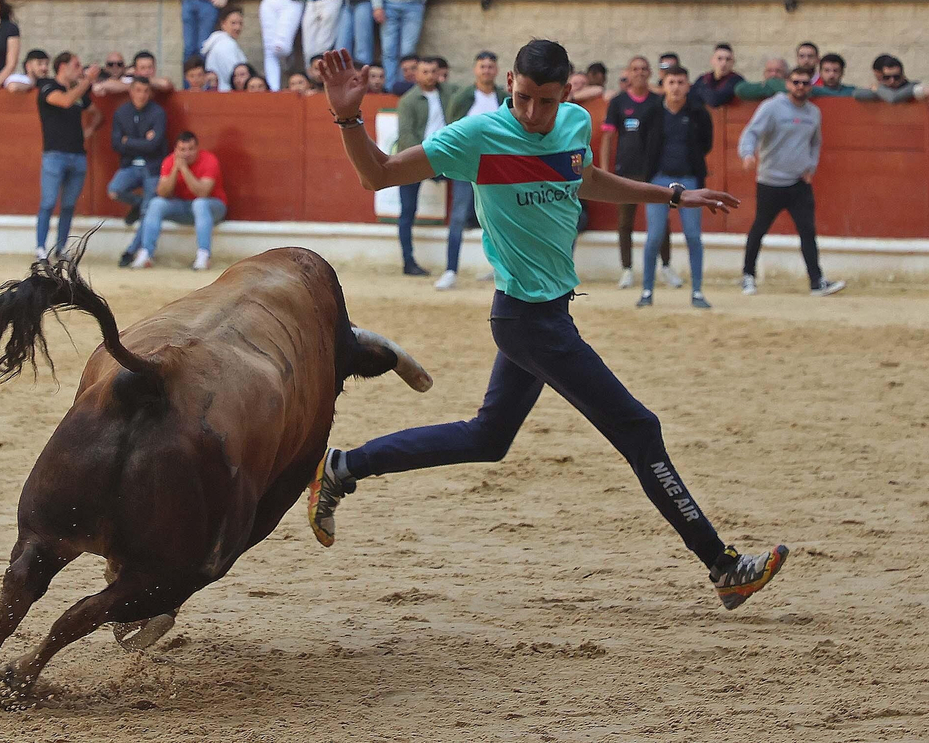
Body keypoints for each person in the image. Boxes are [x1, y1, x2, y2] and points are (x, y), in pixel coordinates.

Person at [308, 42, 789, 612]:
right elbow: (378, 176)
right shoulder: (475, 138)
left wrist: (673, 196)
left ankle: (343, 466)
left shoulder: (575, 123)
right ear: (509, 82)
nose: (533, 114)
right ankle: (724, 566)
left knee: (487, 438)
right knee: (640, 429)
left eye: (545, 101)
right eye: (523, 98)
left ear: (568, 91)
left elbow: (583, 178)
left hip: (548, 312)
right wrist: (347, 118)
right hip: (525, 319)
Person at [738, 65, 846, 297]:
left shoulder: (813, 113)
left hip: (799, 183)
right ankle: (748, 275)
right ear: (788, 84)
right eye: (796, 82)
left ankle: (816, 281)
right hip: (770, 181)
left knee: (808, 231)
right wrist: (747, 153)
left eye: (805, 83)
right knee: (759, 228)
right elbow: (751, 132)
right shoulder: (772, 107)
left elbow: (816, 143)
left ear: (810, 86)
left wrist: (811, 167)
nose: (800, 87)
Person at [637, 64, 714, 309]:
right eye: (672, 82)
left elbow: (706, 143)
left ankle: (698, 292)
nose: (676, 87)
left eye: (681, 82)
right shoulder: (652, 113)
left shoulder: (698, 113)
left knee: (693, 236)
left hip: (689, 180)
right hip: (659, 179)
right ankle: (647, 290)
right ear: (664, 85)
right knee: (654, 236)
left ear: (688, 86)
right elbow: (643, 141)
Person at [601, 57, 674, 290]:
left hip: (654, 169)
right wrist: (604, 170)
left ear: (650, 73)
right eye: (635, 69)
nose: (640, 73)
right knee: (625, 221)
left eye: (644, 69)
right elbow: (608, 137)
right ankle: (627, 269)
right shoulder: (618, 102)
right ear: (628, 74)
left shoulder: (658, 101)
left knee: (662, 221)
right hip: (626, 169)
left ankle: (666, 266)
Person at [436, 52, 506, 290]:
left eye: (490, 66)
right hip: (467, 167)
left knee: (499, 219)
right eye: (482, 66)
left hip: (497, 168)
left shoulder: (503, 97)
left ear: (496, 70)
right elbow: (452, 130)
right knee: (457, 217)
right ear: (475, 70)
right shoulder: (464, 96)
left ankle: (501, 267)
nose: (486, 70)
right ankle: (450, 270)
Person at [393, 57, 457, 277]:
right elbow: (407, 136)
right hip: (417, 159)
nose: (429, 76)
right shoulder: (408, 101)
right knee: (407, 211)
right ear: (417, 75)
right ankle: (408, 261)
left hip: (445, 156)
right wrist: (425, 159)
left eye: (432, 71)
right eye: (424, 72)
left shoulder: (450, 93)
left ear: (439, 73)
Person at [35, 51, 101, 259]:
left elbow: (97, 114)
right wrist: (88, 80)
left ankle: (60, 247)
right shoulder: (47, 87)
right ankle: (41, 248)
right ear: (62, 67)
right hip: (54, 154)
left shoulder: (78, 91)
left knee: (69, 205)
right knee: (48, 202)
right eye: (76, 65)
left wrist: (88, 131)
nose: (79, 69)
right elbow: (64, 101)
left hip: (77, 154)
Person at [132, 130, 228, 270]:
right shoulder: (169, 161)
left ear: (197, 149)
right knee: (156, 204)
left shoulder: (209, 160)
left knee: (199, 204)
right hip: (183, 207)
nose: (186, 153)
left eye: (191, 149)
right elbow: (162, 193)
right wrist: (175, 171)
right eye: (182, 149)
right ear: (176, 150)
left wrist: (184, 169)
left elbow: (202, 192)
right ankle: (146, 253)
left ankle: (203, 255)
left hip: (213, 207)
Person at [110, 73, 170, 263]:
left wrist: (129, 141)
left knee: (147, 210)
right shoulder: (121, 112)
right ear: (131, 91)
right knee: (114, 190)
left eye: (145, 91)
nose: (142, 95)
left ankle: (131, 250)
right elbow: (116, 144)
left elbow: (154, 145)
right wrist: (144, 141)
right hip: (130, 166)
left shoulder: (158, 112)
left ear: (150, 93)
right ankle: (136, 203)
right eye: (138, 90)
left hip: (153, 168)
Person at [200, 7, 248, 89]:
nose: (238, 27)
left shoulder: (221, 42)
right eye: (233, 23)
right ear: (223, 24)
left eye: (240, 23)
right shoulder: (226, 44)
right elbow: (233, 73)